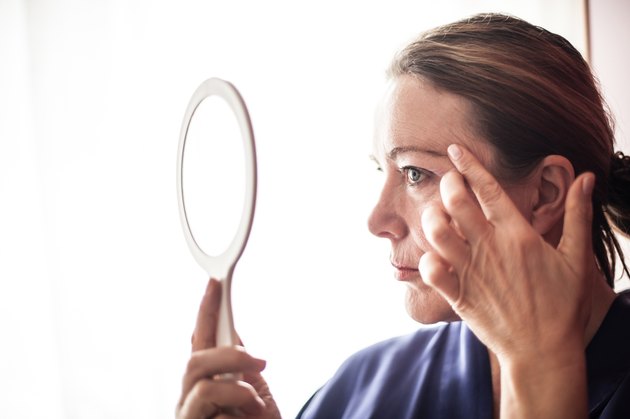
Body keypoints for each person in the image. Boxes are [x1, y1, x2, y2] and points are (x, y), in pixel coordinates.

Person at [175, 13, 630, 419]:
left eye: (415, 173)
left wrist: (538, 367)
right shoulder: (361, 390)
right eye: (383, 169)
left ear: (546, 193)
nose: (377, 220)